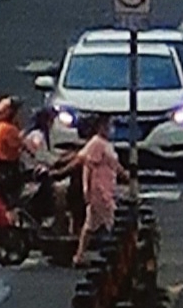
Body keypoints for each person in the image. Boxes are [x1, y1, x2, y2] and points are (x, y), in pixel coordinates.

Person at [66, 113, 126, 267]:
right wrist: (87, 189)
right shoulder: (96, 144)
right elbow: (87, 166)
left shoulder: (106, 144)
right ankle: (118, 258)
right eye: (108, 125)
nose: (110, 129)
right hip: (100, 191)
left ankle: (78, 256)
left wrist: (125, 174)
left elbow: (114, 165)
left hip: (107, 189)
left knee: (90, 226)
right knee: (112, 223)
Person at [0, 98, 25, 205]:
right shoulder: (9, 129)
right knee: (13, 199)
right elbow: (21, 145)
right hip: (9, 169)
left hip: (0, 167)